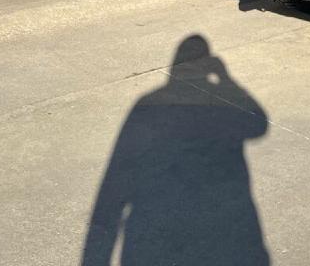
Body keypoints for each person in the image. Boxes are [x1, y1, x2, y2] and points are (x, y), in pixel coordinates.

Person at [82, 35, 269, 265]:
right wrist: (226, 78)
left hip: (156, 228)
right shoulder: (156, 102)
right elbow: (258, 125)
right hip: (218, 225)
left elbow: (115, 177)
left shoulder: (147, 102)